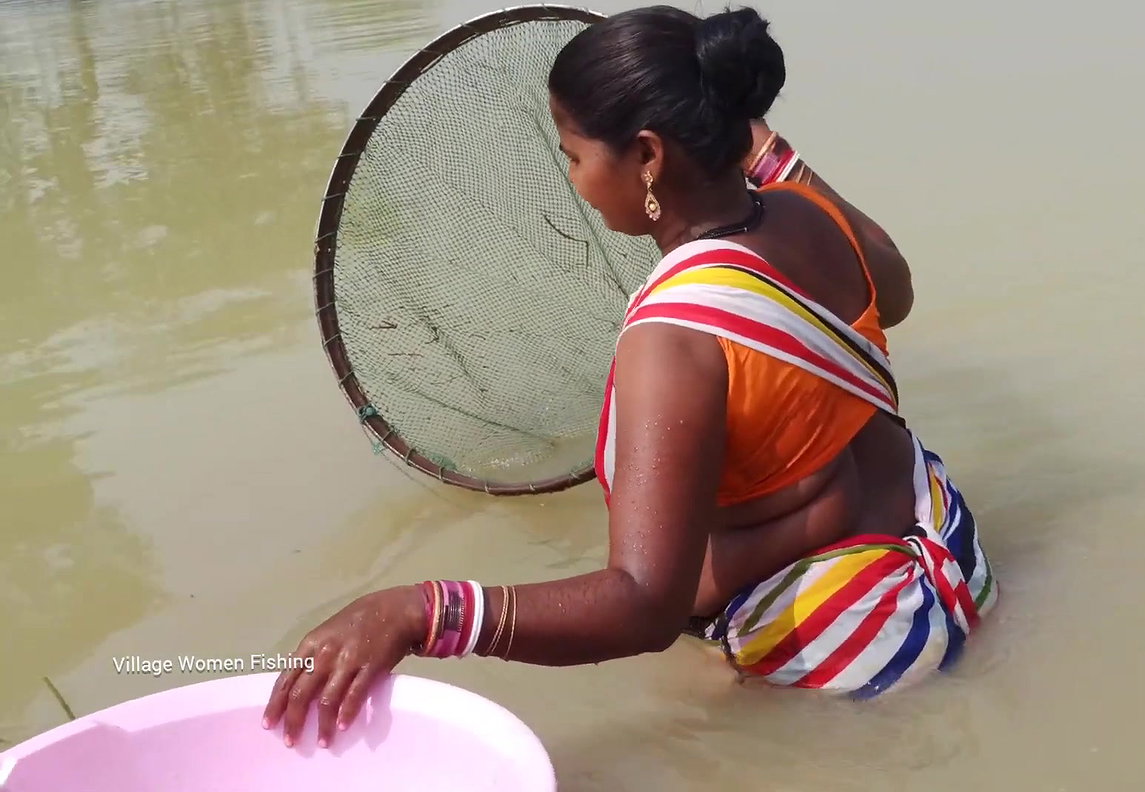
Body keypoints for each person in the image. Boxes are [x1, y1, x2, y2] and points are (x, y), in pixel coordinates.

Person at [263, 4, 996, 748]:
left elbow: (642, 606)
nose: (575, 179)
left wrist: (419, 611)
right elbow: (896, 293)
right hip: (951, 555)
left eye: (574, 155)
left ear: (648, 157)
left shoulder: (672, 339)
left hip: (853, 649)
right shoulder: (812, 212)